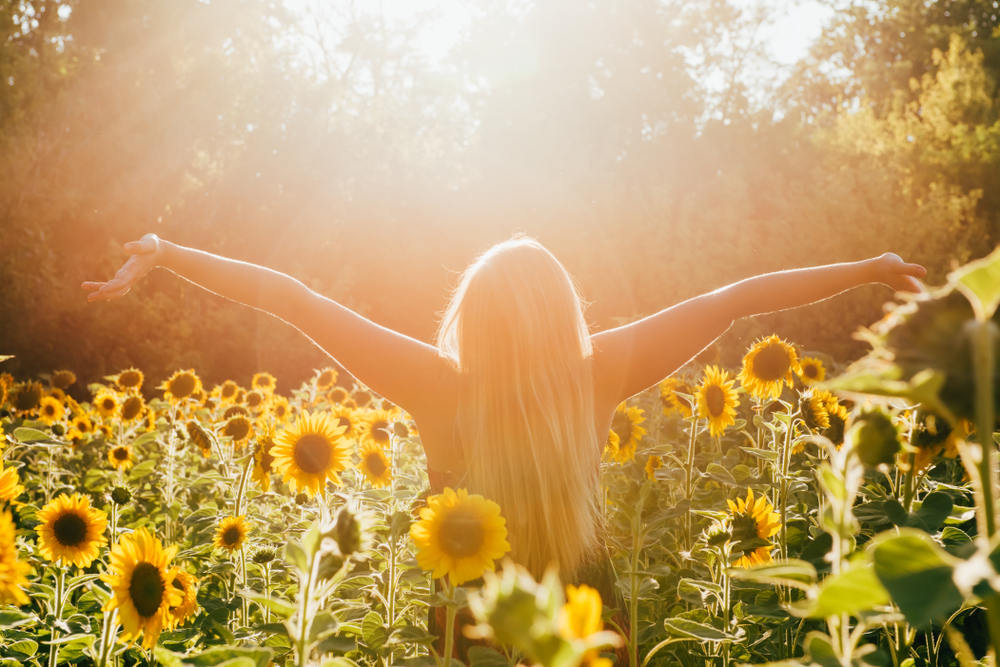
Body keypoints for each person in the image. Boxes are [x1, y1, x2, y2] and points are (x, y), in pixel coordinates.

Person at [82, 233, 925, 653]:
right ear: (564, 315)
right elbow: (736, 297)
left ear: (471, 319)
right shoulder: (599, 375)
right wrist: (870, 267)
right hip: (589, 629)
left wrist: (163, 252)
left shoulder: (436, 386)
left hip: (469, 635)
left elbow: (293, 298)